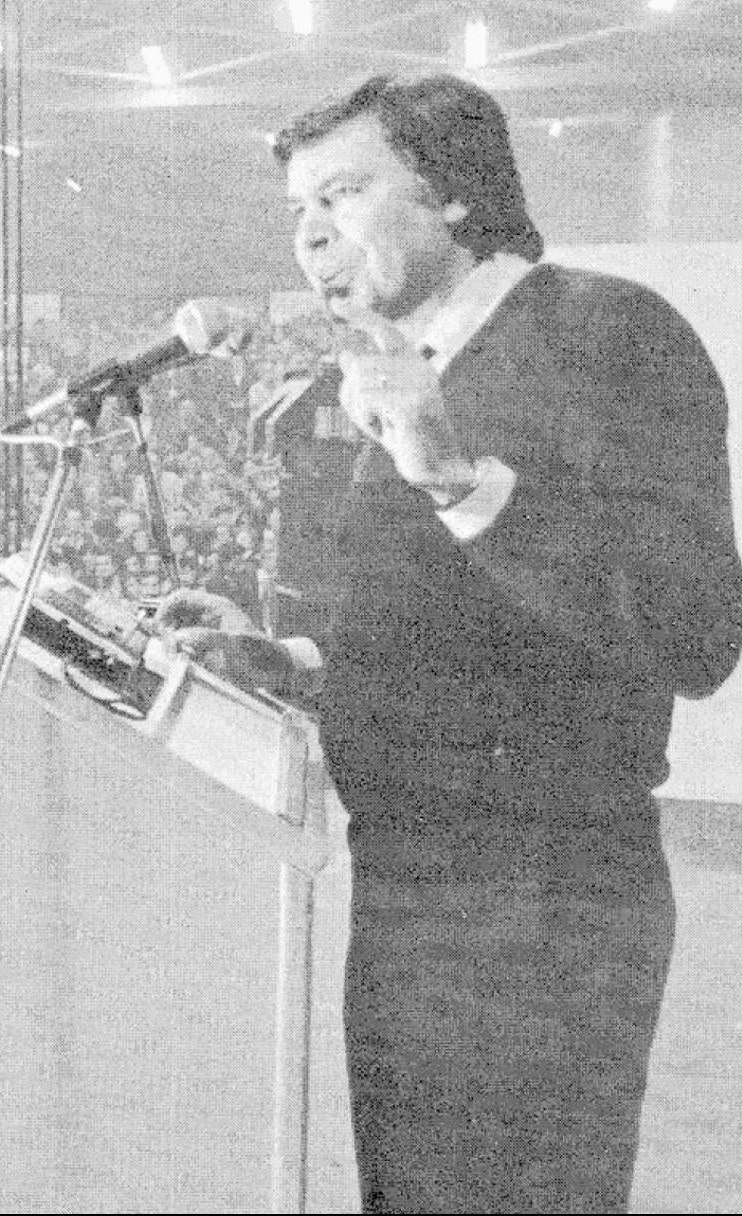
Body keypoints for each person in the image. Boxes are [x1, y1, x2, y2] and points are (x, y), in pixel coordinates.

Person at [168, 72, 742, 1213]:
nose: (312, 234)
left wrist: (460, 476)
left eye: (343, 191)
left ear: (458, 196)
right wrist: (290, 662)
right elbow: (466, 636)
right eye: (296, 211)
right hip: (414, 890)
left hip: (542, 909)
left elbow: (697, 629)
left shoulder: (611, 329)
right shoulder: (413, 365)